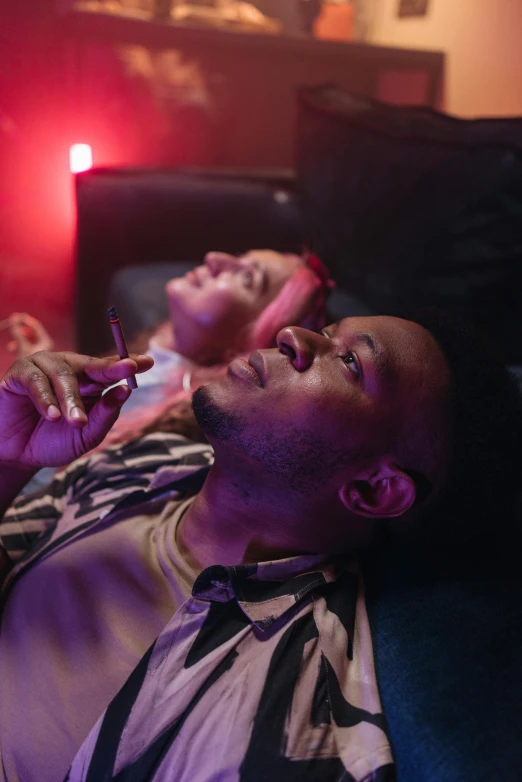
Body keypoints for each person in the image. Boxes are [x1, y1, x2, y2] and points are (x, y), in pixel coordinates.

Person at [0, 311, 521, 781]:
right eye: (325, 330)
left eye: (349, 363)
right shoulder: (143, 463)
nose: (292, 335)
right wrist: (9, 459)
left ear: (373, 490)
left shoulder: (292, 726)